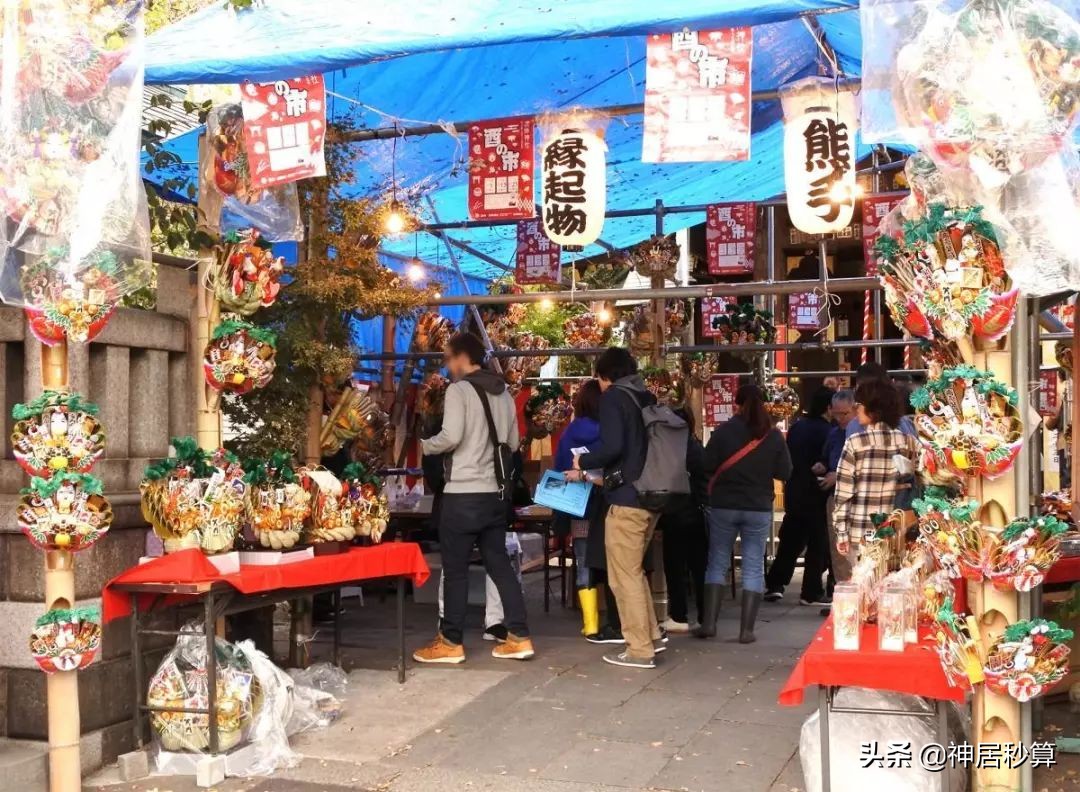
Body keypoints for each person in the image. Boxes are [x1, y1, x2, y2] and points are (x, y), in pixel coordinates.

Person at [413, 332, 534, 664]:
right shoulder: (505, 394)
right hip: (494, 496)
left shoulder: (459, 390)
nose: (448, 366)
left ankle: (451, 641)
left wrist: (425, 444)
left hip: (462, 494)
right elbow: (511, 442)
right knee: (499, 565)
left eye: (449, 358)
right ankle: (519, 636)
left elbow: (451, 437)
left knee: (455, 570)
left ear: (462, 357)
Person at [568, 347, 666, 669]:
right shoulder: (644, 396)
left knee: (623, 576)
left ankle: (639, 649)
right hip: (651, 496)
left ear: (605, 375)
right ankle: (650, 637)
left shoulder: (614, 398)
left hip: (626, 499)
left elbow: (613, 447)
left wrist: (584, 460)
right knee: (634, 572)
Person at [698, 384, 792, 643]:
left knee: (717, 561)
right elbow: (785, 472)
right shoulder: (772, 435)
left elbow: (706, 464)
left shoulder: (724, 432)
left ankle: (709, 624)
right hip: (758, 506)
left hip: (724, 505)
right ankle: (746, 631)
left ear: (736, 405)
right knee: (753, 566)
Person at [833, 380, 921, 569]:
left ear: (873, 409)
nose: (856, 410)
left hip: (862, 532)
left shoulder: (855, 443)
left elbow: (843, 494)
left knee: (865, 590)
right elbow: (923, 478)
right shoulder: (908, 442)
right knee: (893, 590)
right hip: (898, 530)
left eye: (859, 405)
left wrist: (841, 532)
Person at [764, 386, 835, 605]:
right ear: (828, 407)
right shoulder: (829, 431)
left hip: (794, 489)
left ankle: (775, 584)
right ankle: (810, 591)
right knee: (817, 543)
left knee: (790, 541)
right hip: (818, 491)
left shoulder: (797, 427)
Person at [553, 379, 606, 639]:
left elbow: (561, 465)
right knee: (614, 561)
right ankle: (615, 616)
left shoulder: (571, 431)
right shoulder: (611, 429)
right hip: (609, 504)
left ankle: (591, 622)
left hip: (580, 505)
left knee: (584, 561)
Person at [659, 407, 708, 632]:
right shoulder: (696, 446)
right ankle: (705, 615)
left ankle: (678, 615)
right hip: (697, 512)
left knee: (675, 567)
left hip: (675, 513)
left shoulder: (670, 449)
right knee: (700, 568)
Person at [816, 389, 856, 609]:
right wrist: (821, 467)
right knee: (838, 550)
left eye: (845, 414)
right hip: (835, 498)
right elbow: (826, 458)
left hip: (857, 499)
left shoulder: (860, 432)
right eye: (836, 414)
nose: (840, 419)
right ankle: (844, 600)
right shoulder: (833, 434)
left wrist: (836, 476)